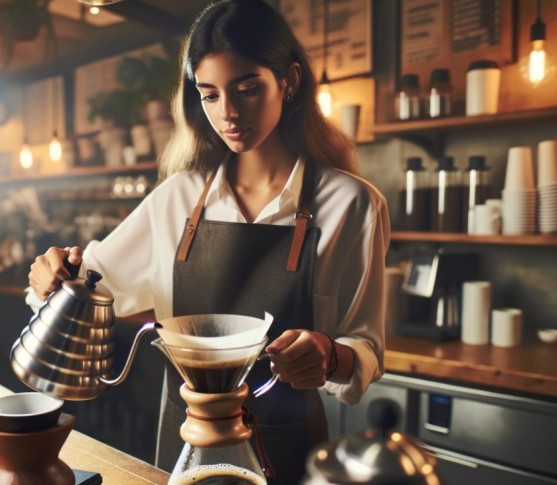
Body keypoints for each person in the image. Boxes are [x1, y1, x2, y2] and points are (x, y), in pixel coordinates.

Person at [26, 1, 389, 482]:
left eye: (247, 89)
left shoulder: (352, 204)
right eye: (210, 94)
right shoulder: (176, 199)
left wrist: (331, 355)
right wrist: (51, 278)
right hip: (184, 446)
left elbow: (366, 348)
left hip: (289, 448)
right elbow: (93, 286)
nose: (229, 113)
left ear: (290, 81)